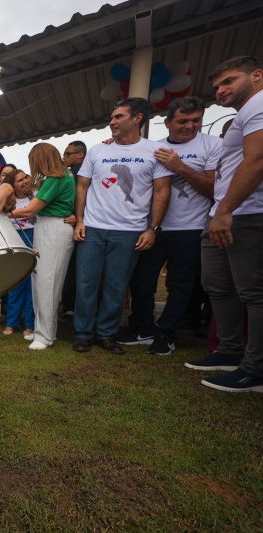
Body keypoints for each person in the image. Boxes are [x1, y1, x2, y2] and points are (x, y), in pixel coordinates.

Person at [116, 96, 221, 355]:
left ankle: (166, 332)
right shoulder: (153, 147)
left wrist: (179, 166)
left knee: (180, 283)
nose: (189, 126)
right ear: (167, 122)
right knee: (142, 281)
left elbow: (214, 189)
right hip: (153, 226)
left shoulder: (213, 145)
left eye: (196, 120)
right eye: (182, 121)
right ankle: (142, 327)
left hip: (191, 227)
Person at [72, 98, 172, 354]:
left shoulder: (154, 150)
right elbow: (82, 185)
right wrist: (80, 220)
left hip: (130, 232)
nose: (112, 121)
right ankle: (83, 334)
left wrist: (153, 229)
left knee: (117, 285)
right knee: (86, 283)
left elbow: (162, 191)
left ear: (137, 118)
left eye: (118, 117)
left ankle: (106, 334)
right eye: (112, 117)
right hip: (92, 228)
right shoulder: (97, 150)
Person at [193, 56, 263, 393]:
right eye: (217, 86)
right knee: (217, 283)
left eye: (229, 81)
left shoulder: (259, 104)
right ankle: (230, 351)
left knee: (253, 291)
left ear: (256, 75)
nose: (221, 90)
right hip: (225, 211)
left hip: (245, 213)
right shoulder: (244, 114)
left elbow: (257, 160)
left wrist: (226, 211)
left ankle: (255, 368)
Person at [10, 143, 77, 350]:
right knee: (42, 283)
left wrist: (4, 213)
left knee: (47, 285)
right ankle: (45, 331)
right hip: (48, 228)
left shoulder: (56, 178)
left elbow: (30, 209)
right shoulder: (60, 176)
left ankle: (44, 335)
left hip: (53, 229)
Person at [2, 169, 35, 340]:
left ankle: (30, 324)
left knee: (32, 284)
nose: (25, 181)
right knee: (16, 284)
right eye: (20, 180)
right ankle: (11, 322)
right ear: (12, 185)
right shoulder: (5, 201)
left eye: (26, 177)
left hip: (34, 236)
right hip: (14, 239)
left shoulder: (36, 195)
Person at [60, 141, 87, 316]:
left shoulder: (84, 173)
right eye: (64, 154)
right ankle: (69, 306)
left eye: (68, 154)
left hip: (84, 226)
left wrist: (78, 217)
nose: (64, 157)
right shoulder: (67, 173)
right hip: (71, 224)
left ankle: (74, 307)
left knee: (79, 269)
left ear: (80, 155)